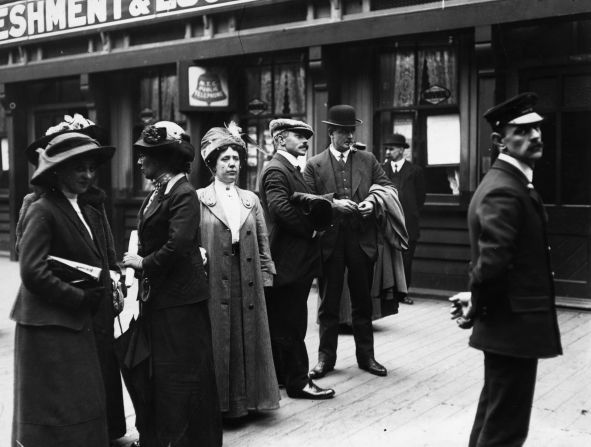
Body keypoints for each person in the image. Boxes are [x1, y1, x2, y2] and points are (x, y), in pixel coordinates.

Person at [450, 92, 562, 447]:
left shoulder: (510, 182)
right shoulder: (505, 190)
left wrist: (475, 299)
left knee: (494, 415)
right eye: (523, 131)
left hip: (508, 323)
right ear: (499, 140)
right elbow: (492, 264)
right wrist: (478, 302)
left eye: (537, 129)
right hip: (512, 324)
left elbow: (496, 261)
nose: (535, 137)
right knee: (505, 429)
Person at [11, 132, 117, 446]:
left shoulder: (79, 208)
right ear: (57, 172)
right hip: (48, 326)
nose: (87, 175)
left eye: (90, 168)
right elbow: (32, 270)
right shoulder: (43, 209)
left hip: (70, 322)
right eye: (78, 168)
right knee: (56, 408)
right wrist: (79, 298)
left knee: (79, 403)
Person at [122, 121, 222, 447]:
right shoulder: (159, 191)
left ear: (164, 158)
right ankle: (160, 436)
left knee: (180, 375)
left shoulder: (183, 193)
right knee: (154, 371)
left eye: (145, 155)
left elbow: (178, 245)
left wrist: (143, 264)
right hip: (159, 300)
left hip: (180, 305)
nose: (139, 162)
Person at [197, 123, 280, 418]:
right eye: (225, 160)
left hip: (248, 278)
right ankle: (222, 405)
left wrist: (266, 277)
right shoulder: (200, 199)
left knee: (249, 334)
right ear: (212, 165)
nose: (232, 165)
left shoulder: (250, 199)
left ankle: (251, 401)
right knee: (222, 336)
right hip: (215, 278)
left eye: (236, 159)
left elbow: (261, 241)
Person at [304, 104, 391, 379]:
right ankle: (325, 359)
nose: (349, 136)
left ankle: (367, 358)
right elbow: (306, 201)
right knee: (328, 303)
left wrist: (371, 203)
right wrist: (333, 204)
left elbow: (387, 188)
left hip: (361, 240)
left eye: (352, 131)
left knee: (362, 302)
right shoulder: (314, 165)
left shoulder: (368, 160)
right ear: (331, 133)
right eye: (343, 131)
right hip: (330, 242)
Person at [259, 118, 335, 400]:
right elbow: (279, 208)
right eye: (299, 136)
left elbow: (298, 201)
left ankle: (282, 377)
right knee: (291, 322)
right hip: (289, 259)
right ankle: (298, 382)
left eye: (307, 136)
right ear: (280, 140)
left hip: (295, 259)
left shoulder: (290, 168)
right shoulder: (277, 169)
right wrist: (312, 229)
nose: (305, 140)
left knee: (284, 320)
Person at [382, 133, 425, 305]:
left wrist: (411, 212)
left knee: (406, 257)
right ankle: (387, 292)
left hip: (408, 222)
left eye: (391, 149)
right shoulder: (381, 169)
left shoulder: (415, 171)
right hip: (387, 221)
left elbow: (421, 197)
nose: (388, 152)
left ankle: (403, 292)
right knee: (387, 256)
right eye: (386, 148)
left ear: (401, 150)